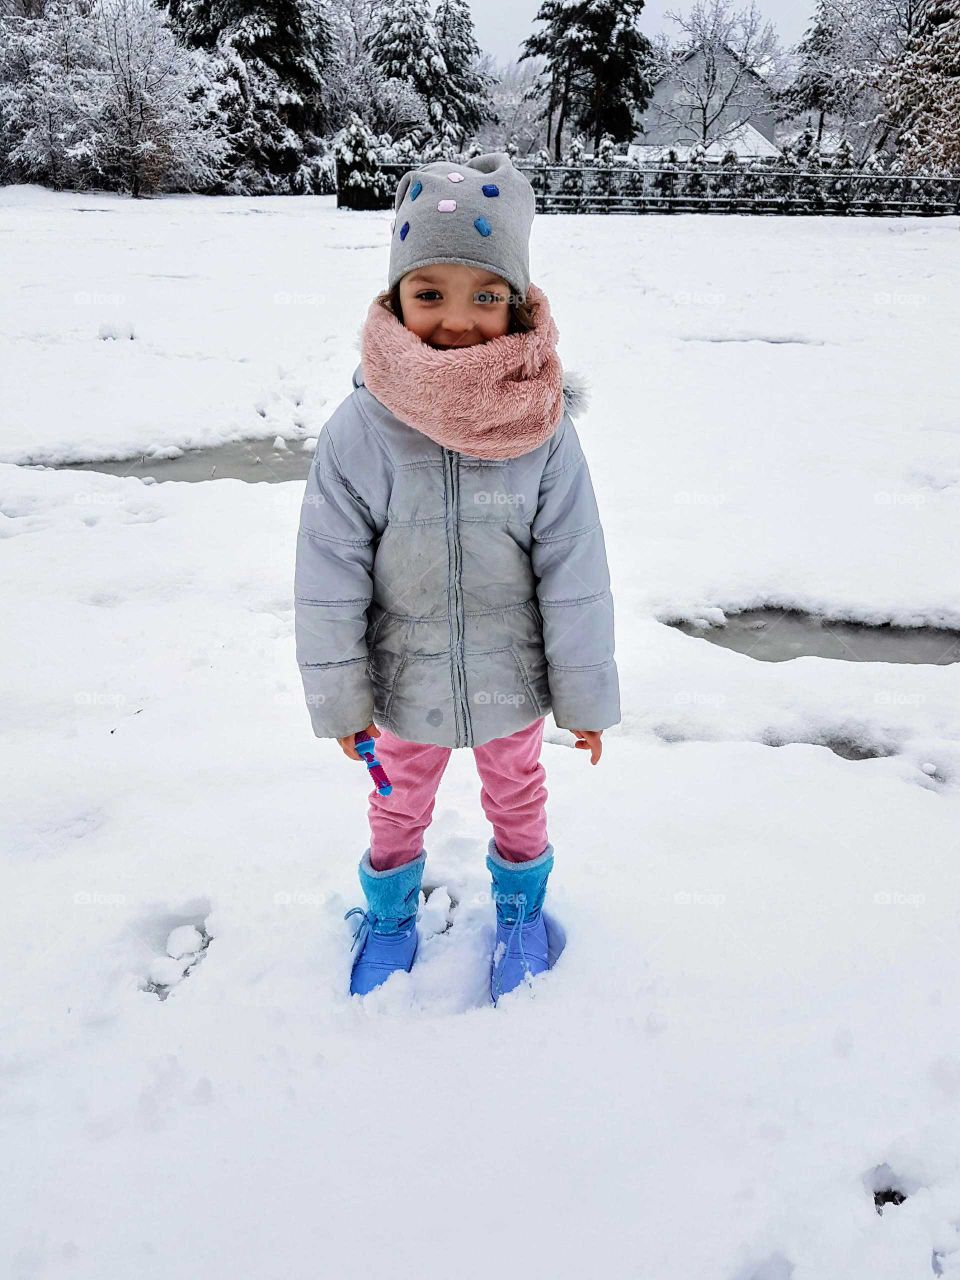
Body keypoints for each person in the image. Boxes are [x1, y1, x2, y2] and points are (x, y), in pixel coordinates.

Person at [294, 152, 620, 1004]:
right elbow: (328, 574)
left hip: (513, 675)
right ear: (395, 297)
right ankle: (389, 917)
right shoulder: (360, 431)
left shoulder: (540, 427)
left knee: (519, 795)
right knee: (396, 802)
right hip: (404, 681)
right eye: (430, 292)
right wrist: (342, 698)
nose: (457, 320)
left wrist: (583, 695)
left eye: (485, 295)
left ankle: (520, 911)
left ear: (517, 303)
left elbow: (574, 566)